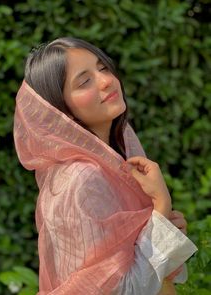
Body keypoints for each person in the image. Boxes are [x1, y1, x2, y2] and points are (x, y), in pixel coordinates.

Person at [13, 37, 197, 295]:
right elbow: (121, 290)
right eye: (84, 81)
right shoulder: (81, 179)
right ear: (62, 110)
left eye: (103, 68)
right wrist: (161, 206)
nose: (106, 80)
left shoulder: (115, 155)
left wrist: (162, 225)